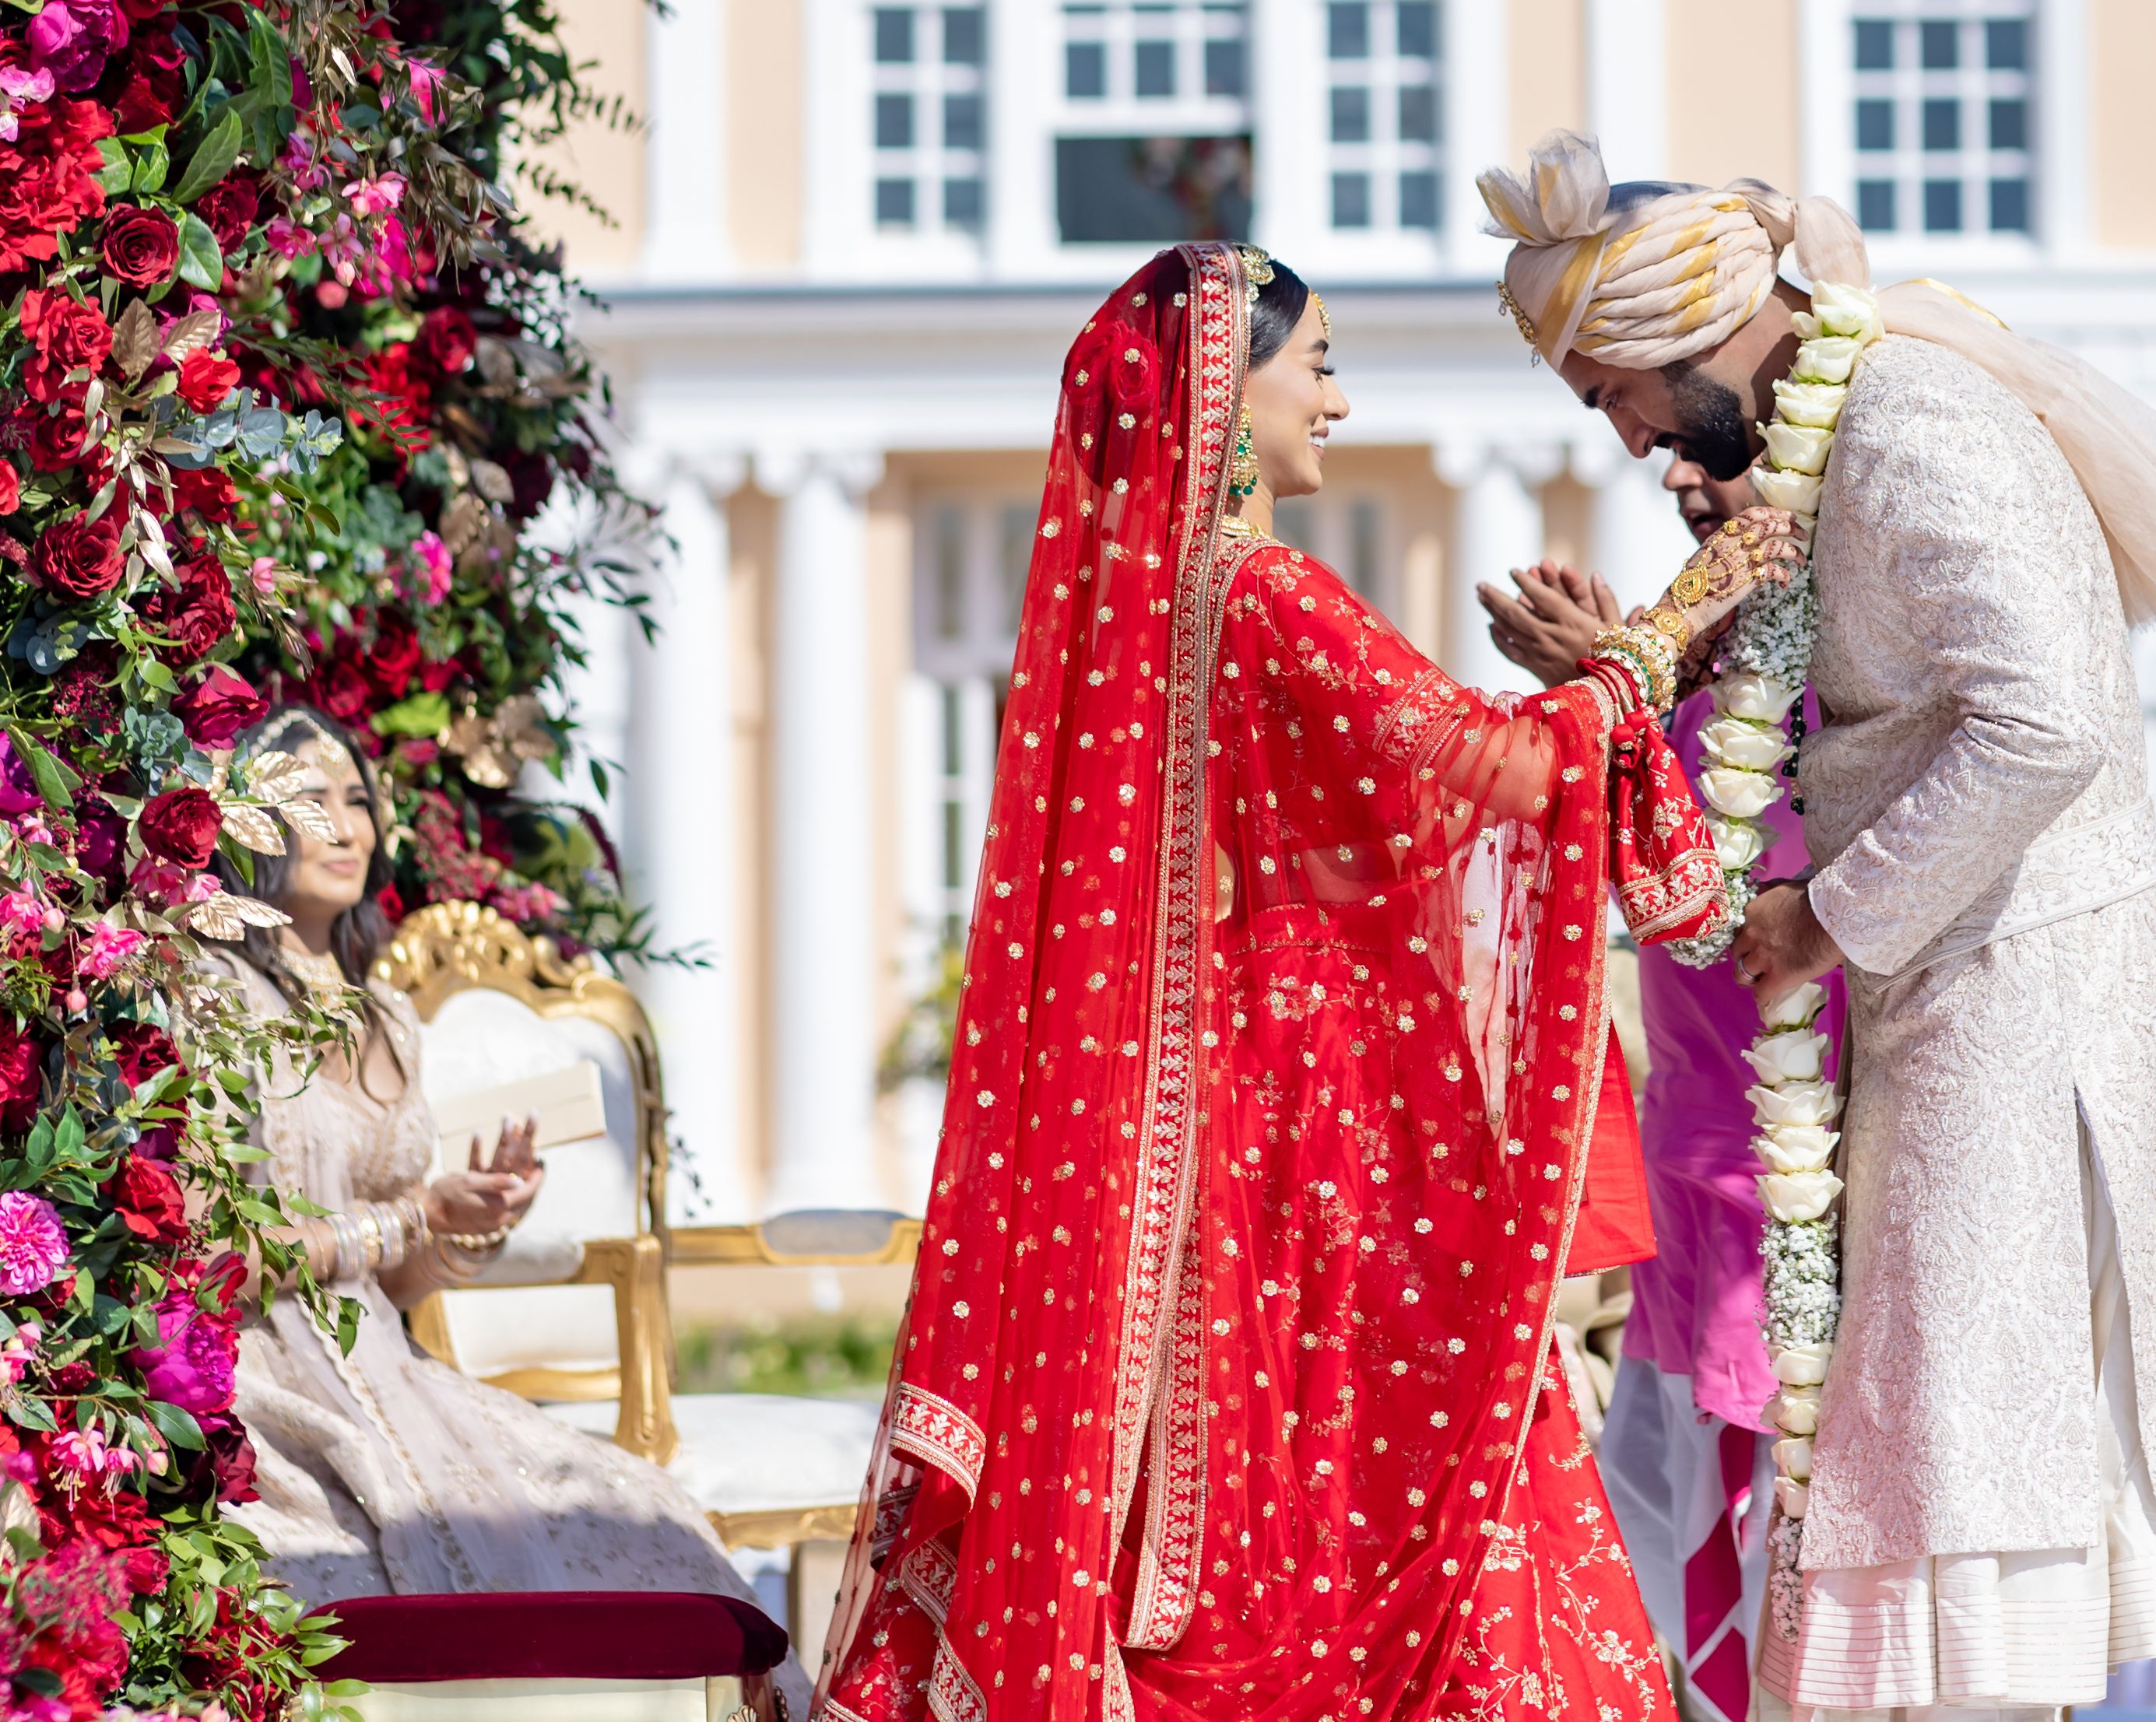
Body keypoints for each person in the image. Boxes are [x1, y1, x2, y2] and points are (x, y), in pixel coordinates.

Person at [816, 244, 1805, 1722]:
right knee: (1406, 1490)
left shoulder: (1164, 619)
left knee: (1267, 1509)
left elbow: (1387, 815)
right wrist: (1677, 621)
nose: (1336, 399)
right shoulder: (1263, 593)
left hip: (1238, 1126)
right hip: (1305, 1141)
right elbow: (1504, 769)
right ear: (1226, 390)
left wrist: (1606, 667)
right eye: (1317, 364)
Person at [1480, 130, 2156, 1720]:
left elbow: (2048, 719)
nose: (1625, 442)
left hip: (2028, 1010)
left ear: (1684, 341)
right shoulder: (1846, 433)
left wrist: (1828, 916)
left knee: (1989, 1507)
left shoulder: (1910, 417)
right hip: (1960, 1017)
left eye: (1614, 395)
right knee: (1946, 1497)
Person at [217, 707, 781, 1626]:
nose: (345, 825)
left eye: (357, 800)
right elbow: (211, 1258)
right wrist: (412, 1215)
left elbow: (395, 1286)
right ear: (248, 820)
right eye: (310, 799)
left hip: (389, 1375)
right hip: (261, 1392)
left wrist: (465, 1232)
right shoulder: (210, 996)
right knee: (353, 1580)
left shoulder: (389, 1015)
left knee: (659, 1528)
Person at [1479, 458, 1848, 1722]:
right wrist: (1621, 688)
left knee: (1775, 1545)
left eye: (1722, 443)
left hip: (1792, 1185)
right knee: (1667, 1539)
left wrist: (1613, 696)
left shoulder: (1838, 686)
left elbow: (1727, 920)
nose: (1681, 471)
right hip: (1691, 1164)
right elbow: (1647, 891)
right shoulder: (1706, 679)